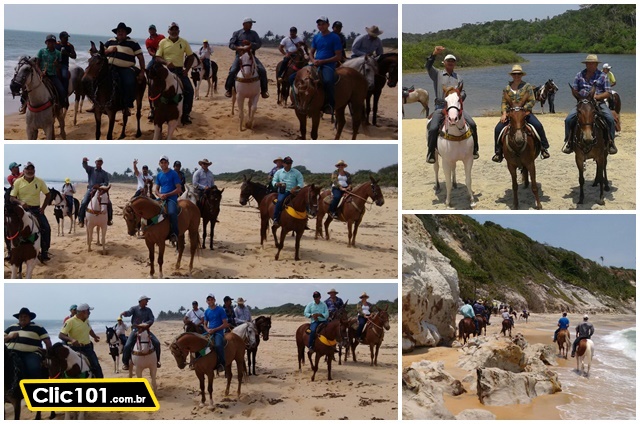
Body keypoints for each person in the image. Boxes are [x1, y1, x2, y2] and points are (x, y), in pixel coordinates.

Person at [425, 46, 479, 163]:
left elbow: (464, 92)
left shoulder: (459, 78)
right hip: (440, 107)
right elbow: (428, 66)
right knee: (433, 128)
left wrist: (458, 97)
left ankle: (475, 150)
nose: (450, 63)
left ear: (455, 64)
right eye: (448, 61)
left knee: (473, 125)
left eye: (452, 61)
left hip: (456, 108)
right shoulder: (437, 74)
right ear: (444, 63)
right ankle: (431, 153)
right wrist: (434, 54)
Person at [492, 65, 550, 162]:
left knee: (538, 125)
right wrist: (504, 113)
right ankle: (498, 152)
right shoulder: (507, 88)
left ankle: (544, 148)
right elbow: (504, 102)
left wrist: (524, 109)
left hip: (525, 113)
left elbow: (532, 100)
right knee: (498, 129)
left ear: (521, 75)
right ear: (512, 75)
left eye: (518, 74)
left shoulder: (527, 86)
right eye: (515, 74)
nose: (516, 76)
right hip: (511, 115)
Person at [562, 54, 616, 155]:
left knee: (610, 119)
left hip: (598, 103)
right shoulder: (579, 75)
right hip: (582, 103)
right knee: (569, 119)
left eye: (592, 64)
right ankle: (568, 142)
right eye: (588, 63)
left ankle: (611, 142)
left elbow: (608, 92)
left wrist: (596, 97)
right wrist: (579, 97)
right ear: (586, 64)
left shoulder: (603, 76)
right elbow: (575, 89)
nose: (590, 65)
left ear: (596, 64)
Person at [10, 161, 52, 262]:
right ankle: (10, 251)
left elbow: (48, 195)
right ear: (23, 171)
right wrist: (20, 202)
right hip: (21, 210)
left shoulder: (40, 181)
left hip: (36, 209)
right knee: (9, 228)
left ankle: (45, 251)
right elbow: (12, 198)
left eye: (32, 169)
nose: (30, 171)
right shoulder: (18, 182)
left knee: (46, 228)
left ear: (34, 170)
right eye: (28, 169)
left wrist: (43, 207)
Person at [156, 22, 196, 125]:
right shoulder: (163, 42)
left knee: (190, 90)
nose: (174, 31)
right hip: (165, 70)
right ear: (168, 31)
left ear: (179, 31)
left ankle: (186, 114)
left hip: (179, 71)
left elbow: (191, 56)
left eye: (176, 29)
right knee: (154, 89)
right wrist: (166, 62)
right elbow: (157, 57)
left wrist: (187, 70)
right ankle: (153, 111)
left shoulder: (184, 42)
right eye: (172, 29)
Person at [104, 22, 145, 115]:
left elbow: (140, 57)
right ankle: (97, 104)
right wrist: (109, 50)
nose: (120, 33)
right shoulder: (110, 41)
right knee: (98, 79)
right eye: (118, 31)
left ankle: (126, 105)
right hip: (110, 67)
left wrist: (142, 71)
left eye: (122, 31)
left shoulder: (133, 42)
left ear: (126, 33)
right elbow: (101, 52)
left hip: (126, 68)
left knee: (129, 82)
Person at [224, 17, 269, 99]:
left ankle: (264, 90)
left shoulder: (254, 33)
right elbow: (231, 45)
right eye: (249, 23)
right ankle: (229, 89)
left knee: (262, 70)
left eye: (251, 24)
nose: (251, 25)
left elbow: (259, 44)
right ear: (244, 24)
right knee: (233, 70)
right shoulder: (237, 33)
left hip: (251, 55)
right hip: (240, 56)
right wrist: (239, 48)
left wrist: (250, 43)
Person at [5, 307, 52, 379]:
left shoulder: (38, 327)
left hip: (31, 353)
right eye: (21, 317)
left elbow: (48, 342)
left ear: (30, 318)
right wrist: (9, 336)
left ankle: (33, 387)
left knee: (33, 368)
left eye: (25, 316)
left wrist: (48, 357)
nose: (23, 318)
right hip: (12, 352)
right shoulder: (12, 327)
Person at [59, 303, 104, 378]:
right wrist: (71, 339)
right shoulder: (70, 321)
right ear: (83, 312)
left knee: (96, 365)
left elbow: (89, 329)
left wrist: (95, 336)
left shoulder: (86, 320)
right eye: (88, 311)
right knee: (63, 368)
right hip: (74, 348)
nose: (89, 313)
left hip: (87, 348)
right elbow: (61, 335)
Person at [309, 16, 342, 115]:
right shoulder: (316, 37)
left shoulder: (335, 37)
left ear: (328, 24)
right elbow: (311, 53)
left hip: (328, 65)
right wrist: (313, 60)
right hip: (316, 63)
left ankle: (330, 105)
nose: (321, 26)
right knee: (294, 77)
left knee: (328, 81)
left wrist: (323, 61)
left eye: (323, 24)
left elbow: (338, 56)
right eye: (319, 24)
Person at [120, 295, 161, 370]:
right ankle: (125, 363)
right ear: (141, 301)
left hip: (145, 330)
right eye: (146, 300)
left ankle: (157, 361)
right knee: (127, 345)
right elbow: (129, 313)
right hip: (136, 330)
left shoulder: (148, 310)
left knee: (157, 343)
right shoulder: (134, 308)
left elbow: (152, 319)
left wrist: (144, 324)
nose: (147, 302)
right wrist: (124, 313)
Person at [155, 155, 182, 247]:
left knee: (171, 213)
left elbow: (179, 189)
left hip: (171, 198)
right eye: (162, 163)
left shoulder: (173, 173)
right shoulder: (159, 175)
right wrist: (160, 195)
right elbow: (156, 190)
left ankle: (174, 233)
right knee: (151, 209)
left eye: (165, 162)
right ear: (159, 164)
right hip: (162, 197)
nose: (163, 164)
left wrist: (167, 194)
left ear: (168, 163)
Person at [78, 157, 112, 227]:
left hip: (100, 191)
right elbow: (85, 166)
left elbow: (106, 183)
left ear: (102, 163)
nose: (99, 163)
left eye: (100, 162)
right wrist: (84, 161)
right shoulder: (91, 170)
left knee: (109, 203)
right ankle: (81, 220)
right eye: (98, 162)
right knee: (84, 203)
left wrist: (99, 185)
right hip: (91, 189)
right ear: (95, 162)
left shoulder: (104, 173)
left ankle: (109, 219)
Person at [271, 156, 304, 228]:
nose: (289, 164)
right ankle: (276, 218)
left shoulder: (297, 172)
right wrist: (277, 184)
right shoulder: (279, 172)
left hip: (295, 192)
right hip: (284, 191)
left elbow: (301, 183)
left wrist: (295, 188)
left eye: (290, 163)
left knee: (304, 202)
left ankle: (305, 220)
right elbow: (274, 180)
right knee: (279, 201)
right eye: (287, 163)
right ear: (284, 163)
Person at [36, 34, 67, 108]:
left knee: (62, 90)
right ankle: (24, 104)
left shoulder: (58, 53)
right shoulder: (41, 51)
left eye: (53, 42)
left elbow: (59, 66)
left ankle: (61, 106)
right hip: (42, 75)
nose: (51, 43)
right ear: (46, 42)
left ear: (55, 43)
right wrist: (40, 73)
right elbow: (37, 64)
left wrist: (57, 64)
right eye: (49, 42)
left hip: (52, 75)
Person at [204, 293, 228, 373]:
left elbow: (225, 324)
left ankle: (222, 363)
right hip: (210, 331)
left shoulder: (220, 310)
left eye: (211, 299)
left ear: (214, 300)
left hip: (219, 332)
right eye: (208, 300)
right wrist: (207, 330)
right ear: (207, 301)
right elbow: (205, 324)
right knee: (198, 341)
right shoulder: (206, 311)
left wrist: (215, 329)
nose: (210, 301)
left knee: (218, 345)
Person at [145, 24, 165, 121]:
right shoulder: (148, 40)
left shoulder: (161, 37)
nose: (152, 31)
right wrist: (156, 55)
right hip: (155, 58)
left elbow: (166, 45)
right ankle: (149, 82)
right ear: (149, 31)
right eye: (150, 29)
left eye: (153, 29)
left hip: (164, 56)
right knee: (148, 69)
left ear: (155, 30)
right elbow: (149, 51)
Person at [55, 31, 77, 99]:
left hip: (64, 65)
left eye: (67, 38)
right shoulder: (56, 45)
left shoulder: (69, 46)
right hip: (55, 64)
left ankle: (65, 93)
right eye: (65, 38)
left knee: (64, 76)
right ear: (61, 38)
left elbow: (74, 56)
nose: (67, 39)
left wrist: (67, 53)